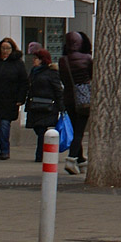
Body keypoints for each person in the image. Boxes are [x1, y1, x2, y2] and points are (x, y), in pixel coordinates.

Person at [0, 38, 28, 160]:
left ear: (12, 49)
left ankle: (5, 150)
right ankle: (2, 147)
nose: (5, 51)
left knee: (4, 123)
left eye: (8, 48)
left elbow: (24, 82)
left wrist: (20, 99)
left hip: (10, 100)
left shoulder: (18, 64)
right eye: (3, 48)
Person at [58, 30, 93, 174]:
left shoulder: (63, 60)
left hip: (69, 97)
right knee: (79, 131)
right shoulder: (87, 58)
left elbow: (62, 78)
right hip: (84, 97)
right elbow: (92, 76)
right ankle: (71, 158)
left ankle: (81, 160)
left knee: (75, 128)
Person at [25, 47, 64, 162]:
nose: (34, 61)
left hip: (48, 106)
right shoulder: (34, 72)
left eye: (36, 58)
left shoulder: (52, 73)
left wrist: (61, 107)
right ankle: (41, 153)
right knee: (37, 128)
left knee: (42, 130)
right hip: (35, 105)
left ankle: (40, 155)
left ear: (42, 60)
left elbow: (58, 90)